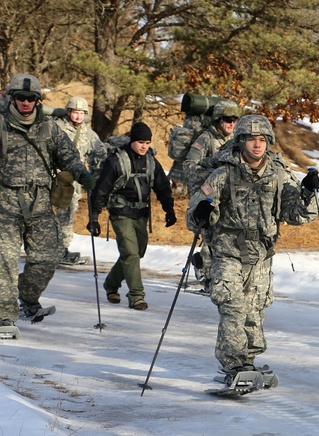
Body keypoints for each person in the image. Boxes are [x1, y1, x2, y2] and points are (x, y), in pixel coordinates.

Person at [185, 114, 318, 389]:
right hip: (228, 251)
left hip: (262, 254)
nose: (257, 145)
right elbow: (195, 216)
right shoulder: (223, 173)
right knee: (233, 307)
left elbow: (295, 215)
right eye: (251, 140)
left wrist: (307, 195)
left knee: (255, 309)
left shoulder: (279, 173)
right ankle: (233, 363)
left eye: (262, 140)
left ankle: (248, 360)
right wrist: (202, 212)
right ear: (241, 141)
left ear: (268, 142)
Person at [0, 74, 96, 327]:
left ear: (37, 101)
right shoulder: (1, 125)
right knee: (5, 261)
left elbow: (68, 156)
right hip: (4, 203)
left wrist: (81, 172)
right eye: (20, 98)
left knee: (48, 257)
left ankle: (27, 297)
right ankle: (5, 315)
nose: (25, 103)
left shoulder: (49, 127)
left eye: (31, 99)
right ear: (12, 98)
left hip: (40, 202)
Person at [87, 121, 176, 310]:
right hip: (120, 213)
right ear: (132, 141)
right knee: (130, 252)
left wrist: (169, 210)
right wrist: (94, 217)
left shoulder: (151, 161)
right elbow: (101, 190)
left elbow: (162, 187)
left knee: (138, 252)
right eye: (140, 142)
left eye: (147, 142)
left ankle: (111, 284)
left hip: (140, 213)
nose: (144, 146)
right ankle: (136, 296)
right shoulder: (117, 161)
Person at [184, 100, 242, 293]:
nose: (231, 123)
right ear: (218, 120)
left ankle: (209, 269)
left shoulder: (237, 140)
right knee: (209, 235)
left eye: (234, 120)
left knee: (223, 237)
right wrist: (212, 177)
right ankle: (209, 279)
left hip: (231, 197)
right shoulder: (205, 139)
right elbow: (190, 166)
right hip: (210, 196)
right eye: (227, 119)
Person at [53, 96, 107, 264]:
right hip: (52, 176)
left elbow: (99, 153)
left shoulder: (87, 132)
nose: (78, 116)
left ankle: (62, 248)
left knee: (67, 214)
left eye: (81, 113)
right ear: (68, 112)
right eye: (75, 112)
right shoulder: (56, 127)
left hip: (73, 181)